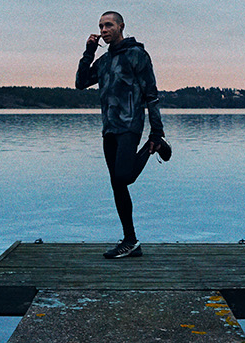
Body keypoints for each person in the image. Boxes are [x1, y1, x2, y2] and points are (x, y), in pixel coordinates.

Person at [76, 10, 171, 259]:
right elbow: (80, 81)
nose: (104, 30)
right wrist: (89, 52)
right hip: (109, 128)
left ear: (121, 27)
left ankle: (155, 145)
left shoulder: (136, 55)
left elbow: (152, 94)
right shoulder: (105, 61)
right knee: (117, 184)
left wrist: (156, 130)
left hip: (130, 125)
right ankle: (130, 241)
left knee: (124, 177)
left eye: (108, 25)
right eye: (100, 26)